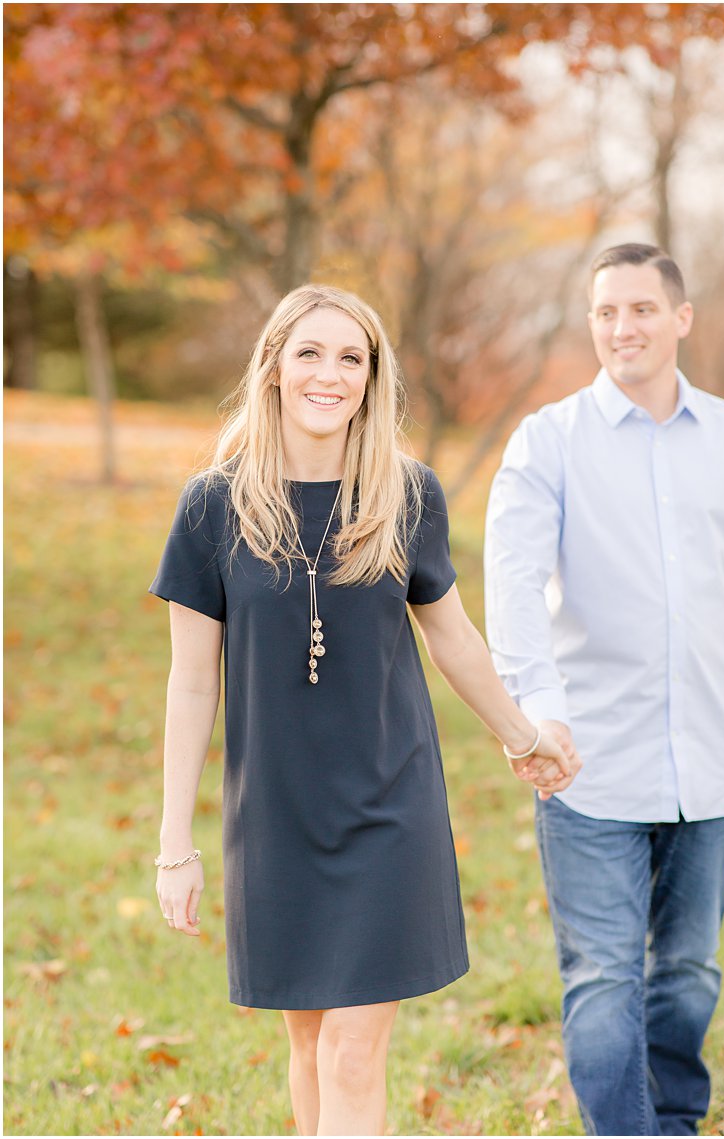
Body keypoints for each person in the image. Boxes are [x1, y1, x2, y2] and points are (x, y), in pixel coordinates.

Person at [151, 284, 579, 1135]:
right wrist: (175, 846)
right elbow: (192, 681)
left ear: (372, 378)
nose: (330, 373)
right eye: (310, 352)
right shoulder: (213, 506)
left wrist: (524, 735)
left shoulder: (406, 494)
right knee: (308, 1044)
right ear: (273, 366)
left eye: (351, 357)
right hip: (275, 815)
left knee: (353, 1048)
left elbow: (452, 638)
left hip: (390, 805)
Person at [485, 243, 724, 1135]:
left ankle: (673, 1121)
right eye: (605, 311)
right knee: (605, 978)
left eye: (640, 308)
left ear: (681, 318)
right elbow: (514, 584)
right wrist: (539, 712)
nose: (621, 326)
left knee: (689, 975)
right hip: (588, 760)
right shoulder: (548, 440)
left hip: (711, 761)